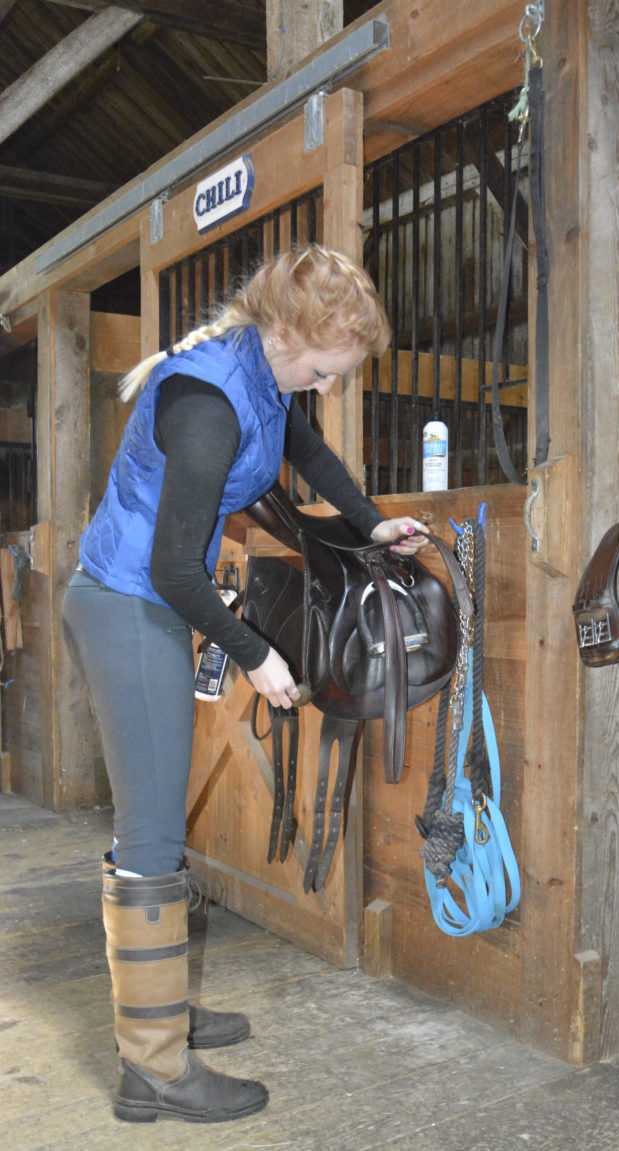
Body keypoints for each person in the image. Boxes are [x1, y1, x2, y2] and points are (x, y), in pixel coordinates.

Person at [61, 244, 429, 1124]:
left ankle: (154, 1019)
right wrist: (259, 654)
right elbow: (175, 567)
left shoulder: (263, 376)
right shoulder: (206, 406)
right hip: (127, 601)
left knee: (154, 813)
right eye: (332, 369)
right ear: (297, 333)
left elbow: (313, 457)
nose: (331, 387)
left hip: (148, 603)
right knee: (150, 827)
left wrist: (377, 528)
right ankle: (152, 1065)